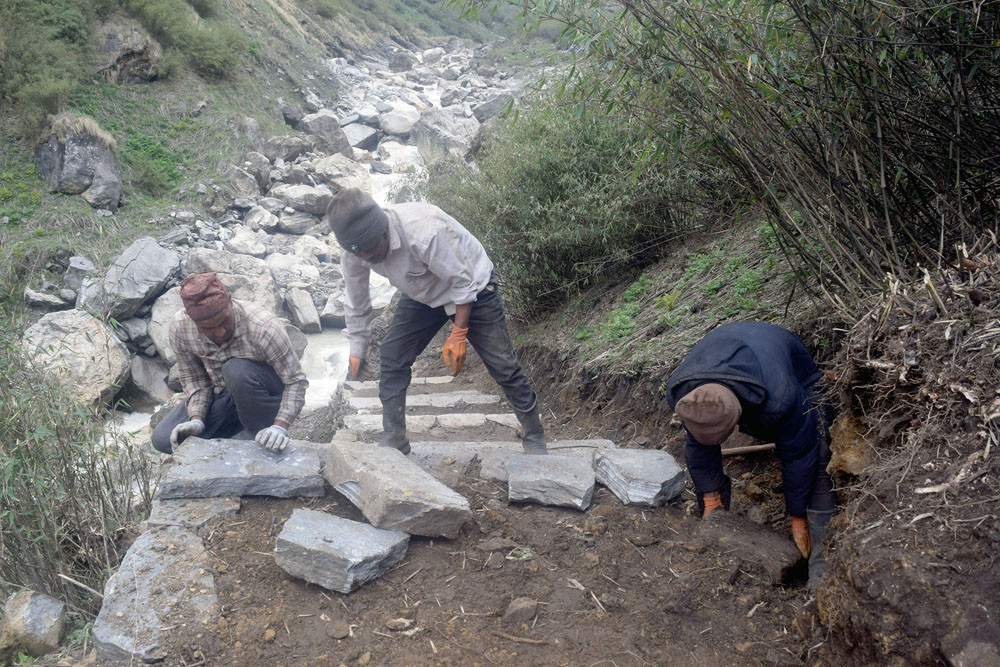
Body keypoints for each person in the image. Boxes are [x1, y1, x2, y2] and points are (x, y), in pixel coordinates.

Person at [325, 188, 546, 456]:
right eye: (362, 255)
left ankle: (533, 433)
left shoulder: (425, 231)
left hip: (473, 284)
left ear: (384, 229)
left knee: (502, 364)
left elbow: (463, 283)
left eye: (373, 249)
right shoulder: (356, 252)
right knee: (393, 354)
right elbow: (357, 302)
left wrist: (458, 333)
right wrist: (357, 349)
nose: (368, 258)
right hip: (422, 292)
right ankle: (394, 437)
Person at [664, 321, 836, 585]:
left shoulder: (782, 398)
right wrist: (711, 502)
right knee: (704, 440)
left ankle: (822, 569)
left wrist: (798, 516)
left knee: (818, 444)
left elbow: (799, 454)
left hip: (789, 363)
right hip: (733, 356)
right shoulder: (684, 392)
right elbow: (698, 444)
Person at [151, 271, 308, 455]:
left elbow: (295, 381)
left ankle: (259, 430)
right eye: (208, 328)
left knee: (235, 370)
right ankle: (236, 430)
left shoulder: (263, 327)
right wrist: (196, 419)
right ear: (191, 319)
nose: (219, 332)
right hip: (224, 394)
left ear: (230, 301)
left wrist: (280, 425)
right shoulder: (181, 327)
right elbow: (196, 382)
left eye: (224, 321)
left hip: (264, 393)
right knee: (164, 440)